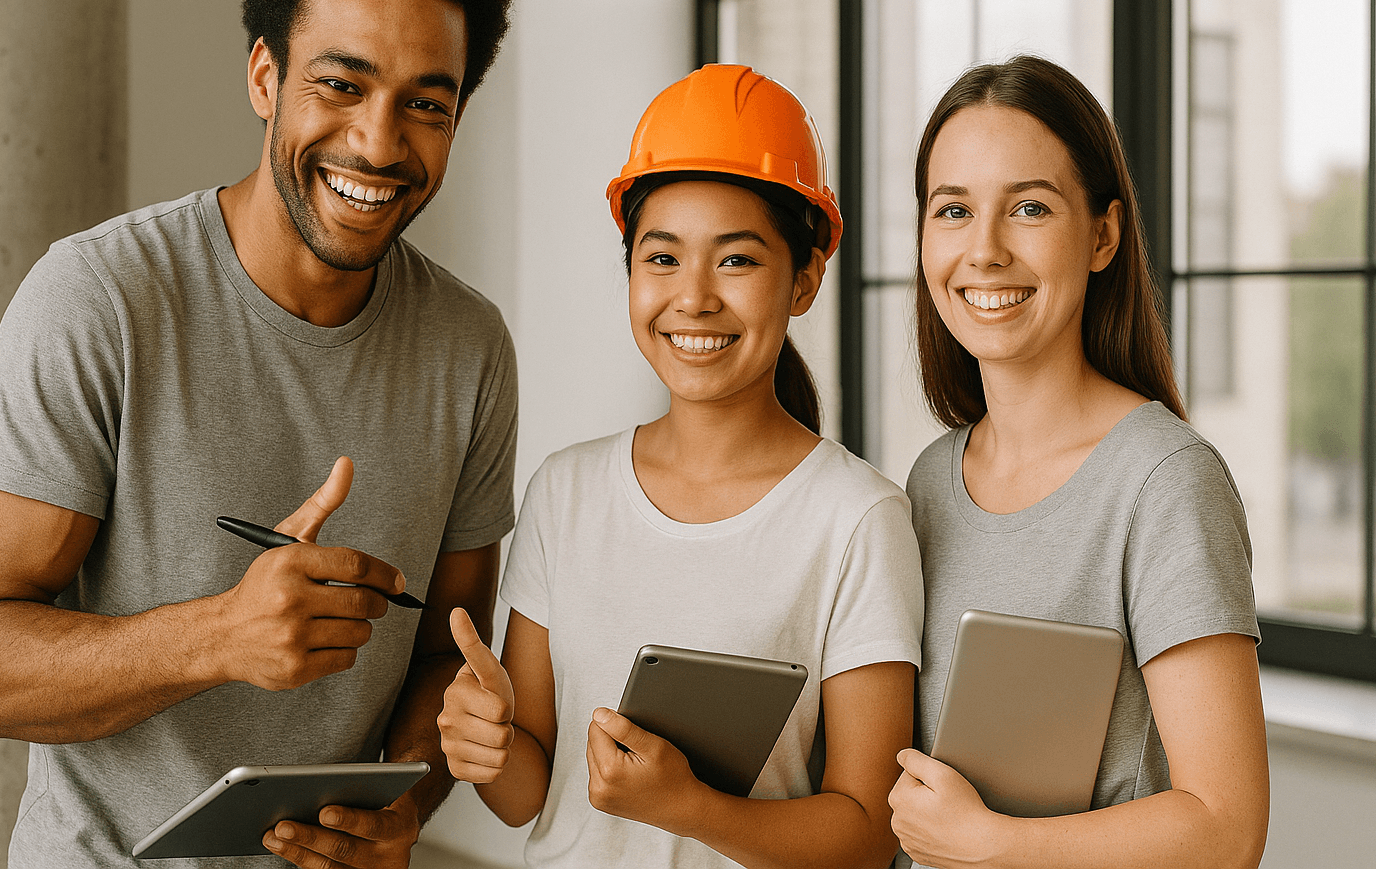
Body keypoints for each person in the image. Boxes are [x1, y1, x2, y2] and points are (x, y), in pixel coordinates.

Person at [0, 0, 515, 869]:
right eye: (341, 85)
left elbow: (445, 653)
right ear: (264, 77)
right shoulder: (99, 297)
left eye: (425, 104)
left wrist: (402, 808)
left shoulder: (471, 346)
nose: (378, 142)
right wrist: (219, 636)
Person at [436, 64, 925, 868]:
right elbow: (527, 795)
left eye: (736, 261)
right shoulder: (565, 493)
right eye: (661, 258)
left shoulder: (857, 519)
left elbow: (869, 837)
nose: (693, 297)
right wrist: (483, 741)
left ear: (805, 278)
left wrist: (692, 809)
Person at [888, 55, 1268, 869]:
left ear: (1102, 235)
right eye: (953, 210)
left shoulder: (1165, 481)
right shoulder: (929, 482)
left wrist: (993, 844)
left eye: (1028, 208)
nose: (984, 251)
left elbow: (1228, 830)